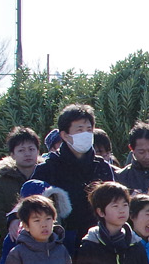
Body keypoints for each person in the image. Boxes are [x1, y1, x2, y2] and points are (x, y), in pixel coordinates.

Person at [38, 105, 120, 252]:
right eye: (79, 130)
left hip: (99, 241)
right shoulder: (47, 168)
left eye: (89, 130)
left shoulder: (102, 167)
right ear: (64, 135)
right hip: (61, 244)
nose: (86, 134)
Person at [0, 127, 46, 237]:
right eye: (21, 150)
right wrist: (10, 223)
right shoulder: (2, 181)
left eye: (31, 149)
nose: (27, 154)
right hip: (14, 239)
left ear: (38, 151)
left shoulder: (48, 176)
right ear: (12, 154)